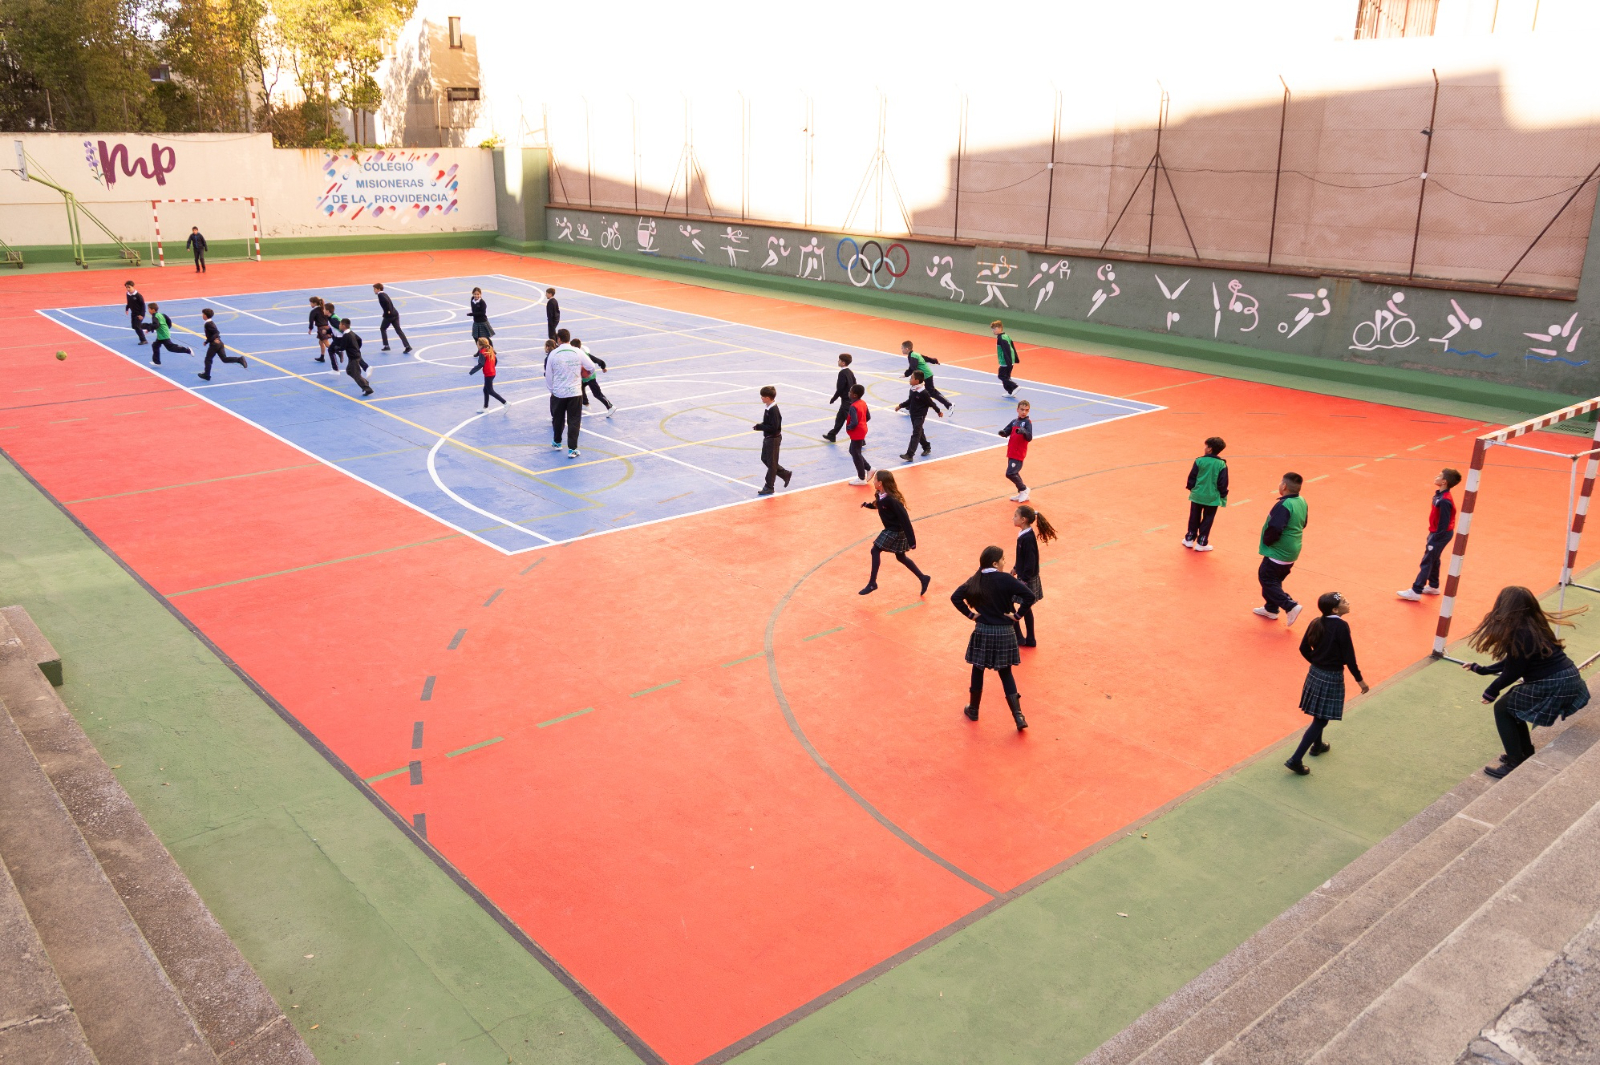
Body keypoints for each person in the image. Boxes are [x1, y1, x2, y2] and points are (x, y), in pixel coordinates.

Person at [1463, 587, 1590, 779]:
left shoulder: (1520, 633)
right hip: (1568, 676)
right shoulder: (1534, 626)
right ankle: (1524, 752)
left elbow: (1514, 671)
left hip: (1554, 681)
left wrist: (1491, 691)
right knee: (1512, 706)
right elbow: (1516, 660)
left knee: (1503, 708)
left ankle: (1515, 761)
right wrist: (1484, 669)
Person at [1284, 592, 1370, 775]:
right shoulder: (1341, 626)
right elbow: (1349, 657)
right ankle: (1295, 759)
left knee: (1319, 713)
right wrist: (1360, 680)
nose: (1348, 602)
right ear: (1335, 610)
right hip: (1331, 676)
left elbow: (1303, 648)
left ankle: (1318, 745)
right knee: (1321, 719)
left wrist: (1317, 661)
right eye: (1344, 601)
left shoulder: (1316, 621)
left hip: (1315, 672)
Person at [951, 544, 1034, 730]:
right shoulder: (1006, 579)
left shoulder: (976, 579)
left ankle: (973, 709)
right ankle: (1018, 716)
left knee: (977, 669)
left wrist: (971, 615)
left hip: (983, 631)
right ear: (995, 563)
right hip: (1005, 632)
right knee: (1006, 673)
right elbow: (1029, 596)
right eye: (1003, 559)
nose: (1005, 562)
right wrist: (1017, 615)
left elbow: (955, 597)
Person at [860, 469, 929, 596]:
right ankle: (923, 578)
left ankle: (872, 583)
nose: (873, 482)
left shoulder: (892, 500)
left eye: (875, 479)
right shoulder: (880, 494)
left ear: (880, 482)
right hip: (891, 529)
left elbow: (905, 520)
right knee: (900, 557)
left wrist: (912, 541)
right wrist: (867, 505)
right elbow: (878, 504)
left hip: (896, 530)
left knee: (875, 550)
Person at [1398, 468, 1462, 601]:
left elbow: (1444, 523)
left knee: (1427, 561)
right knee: (1434, 559)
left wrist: (1435, 539)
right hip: (1435, 532)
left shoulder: (1444, 500)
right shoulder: (1439, 495)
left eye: (1439, 475)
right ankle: (1433, 586)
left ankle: (1416, 590)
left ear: (1444, 482)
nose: (1436, 476)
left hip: (1440, 535)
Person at [1254, 472, 1308, 626]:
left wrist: (1268, 541)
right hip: (1293, 549)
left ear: (1284, 486)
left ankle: (1290, 606)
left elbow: (1275, 528)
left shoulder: (1284, 505)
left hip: (1279, 551)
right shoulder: (1301, 501)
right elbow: (1304, 523)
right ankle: (1271, 609)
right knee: (1275, 580)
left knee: (1266, 578)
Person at [544, 328, 597, 457]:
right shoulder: (578, 352)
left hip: (559, 392)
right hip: (575, 392)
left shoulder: (553, 354)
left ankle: (557, 442)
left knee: (558, 419)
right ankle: (572, 449)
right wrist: (586, 374)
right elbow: (591, 366)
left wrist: (552, 390)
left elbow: (548, 375)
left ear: (559, 339)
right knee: (574, 420)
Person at [1010, 504, 1057, 647]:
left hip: (1027, 578)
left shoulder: (1027, 538)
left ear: (1023, 519)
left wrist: (1023, 581)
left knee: (1010, 601)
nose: (1013, 518)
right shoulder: (1024, 534)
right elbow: (1022, 556)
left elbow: (1030, 561)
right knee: (1026, 607)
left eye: (1015, 516)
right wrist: (1015, 567)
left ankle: (1020, 637)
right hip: (1025, 575)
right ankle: (1029, 638)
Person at [1183, 437, 1230, 551]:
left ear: (1210, 449)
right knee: (1208, 519)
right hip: (1212, 498)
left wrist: (1192, 488)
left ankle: (1189, 539)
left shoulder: (1199, 461)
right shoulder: (1221, 464)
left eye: (1206, 446)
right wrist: (1223, 494)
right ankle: (1202, 542)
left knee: (1194, 516)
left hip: (1197, 495)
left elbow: (1192, 477)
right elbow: (1223, 482)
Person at [895, 371, 944, 462]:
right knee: (919, 431)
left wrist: (938, 411)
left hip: (920, 416)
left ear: (917, 381)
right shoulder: (913, 389)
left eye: (912, 378)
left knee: (916, 434)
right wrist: (900, 406)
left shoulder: (923, 392)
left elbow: (931, 403)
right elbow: (910, 400)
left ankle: (910, 454)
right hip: (913, 414)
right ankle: (926, 447)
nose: (910, 379)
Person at [754, 385, 793, 496]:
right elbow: (768, 423)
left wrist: (760, 427)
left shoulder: (774, 410)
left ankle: (769, 486)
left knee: (772, 464)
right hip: (768, 438)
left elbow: (774, 427)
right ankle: (784, 474)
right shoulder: (768, 407)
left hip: (773, 439)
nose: (761, 398)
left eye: (762, 396)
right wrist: (760, 426)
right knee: (765, 459)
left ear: (768, 398)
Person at [901, 341, 953, 411]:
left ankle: (949, 405)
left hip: (925, 376)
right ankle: (910, 407)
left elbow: (913, 368)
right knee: (916, 391)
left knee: (931, 392)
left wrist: (906, 374)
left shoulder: (913, 356)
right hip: (925, 375)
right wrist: (934, 361)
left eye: (902, 348)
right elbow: (926, 358)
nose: (901, 349)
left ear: (907, 349)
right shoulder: (915, 354)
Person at [196, 308, 247, 380]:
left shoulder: (208, 324)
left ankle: (207, 375)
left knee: (208, 359)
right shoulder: (210, 323)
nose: (202, 315)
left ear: (205, 315)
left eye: (203, 314)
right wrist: (207, 341)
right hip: (219, 343)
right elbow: (213, 334)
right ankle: (239, 359)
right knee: (224, 359)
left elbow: (216, 332)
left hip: (214, 345)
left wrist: (210, 340)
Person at [1000, 400, 1033, 502]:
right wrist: (1003, 433)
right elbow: (1007, 430)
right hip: (1011, 451)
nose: (1024, 412)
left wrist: (1024, 431)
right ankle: (1022, 492)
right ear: (1017, 410)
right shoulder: (1015, 421)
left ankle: (1024, 489)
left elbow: (1029, 437)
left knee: (1010, 473)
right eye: (1022, 409)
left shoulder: (1027, 422)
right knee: (1014, 472)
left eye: (1026, 410)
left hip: (1019, 452)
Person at [331, 318, 373, 397]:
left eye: (340, 324)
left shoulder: (346, 336)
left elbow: (342, 347)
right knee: (349, 371)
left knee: (355, 374)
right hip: (355, 355)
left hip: (354, 357)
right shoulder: (351, 333)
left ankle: (367, 388)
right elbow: (359, 340)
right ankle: (364, 382)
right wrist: (356, 347)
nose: (339, 325)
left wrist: (336, 348)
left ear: (343, 326)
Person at [821, 353, 857, 442]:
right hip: (849, 399)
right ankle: (832, 435)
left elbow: (840, 388)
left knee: (850, 420)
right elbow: (855, 383)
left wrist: (834, 398)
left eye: (839, 360)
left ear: (843, 363)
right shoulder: (850, 372)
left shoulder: (842, 373)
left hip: (846, 401)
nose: (838, 361)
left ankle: (860, 439)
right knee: (840, 418)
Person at [574, 338, 614, 416]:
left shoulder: (583, 355)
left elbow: (598, 361)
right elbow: (599, 361)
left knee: (597, 394)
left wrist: (603, 367)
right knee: (580, 387)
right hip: (584, 378)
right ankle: (585, 403)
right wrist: (603, 367)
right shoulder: (581, 354)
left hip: (590, 377)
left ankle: (610, 407)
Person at [844, 383, 872, 485]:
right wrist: (862, 423)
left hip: (857, 432)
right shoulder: (863, 403)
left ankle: (861, 478)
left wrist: (849, 427)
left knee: (856, 454)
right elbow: (868, 417)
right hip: (862, 429)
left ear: (854, 395)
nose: (849, 393)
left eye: (850, 392)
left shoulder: (853, 407)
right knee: (852, 450)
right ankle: (869, 468)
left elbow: (854, 422)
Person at [373, 283, 412, 353]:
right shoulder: (384, 294)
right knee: (398, 330)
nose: (374, 290)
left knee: (383, 328)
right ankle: (407, 346)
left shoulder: (380, 295)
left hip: (389, 316)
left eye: (375, 289)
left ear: (378, 289)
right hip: (395, 314)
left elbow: (386, 302)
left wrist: (388, 311)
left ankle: (386, 345)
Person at [468, 337, 506, 411]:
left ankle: (505, 403)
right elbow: (495, 360)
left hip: (488, 373)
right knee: (485, 390)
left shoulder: (482, 352)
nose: (477, 345)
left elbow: (481, 364)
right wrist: (491, 366)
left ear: (480, 345)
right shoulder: (489, 350)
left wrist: (472, 371)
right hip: (492, 372)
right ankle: (485, 407)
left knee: (490, 391)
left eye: (477, 344)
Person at [991, 319, 1021, 395]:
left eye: (995, 329)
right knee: (1006, 377)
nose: (993, 331)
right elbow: (1012, 347)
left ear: (1000, 328)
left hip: (1006, 361)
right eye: (992, 329)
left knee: (1001, 376)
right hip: (1010, 360)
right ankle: (1010, 392)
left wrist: (1008, 362)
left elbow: (1006, 350)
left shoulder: (1001, 338)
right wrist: (1015, 359)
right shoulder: (1006, 336)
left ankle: (1015, 387)